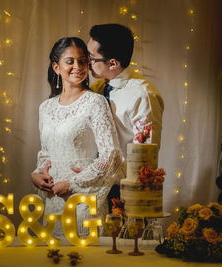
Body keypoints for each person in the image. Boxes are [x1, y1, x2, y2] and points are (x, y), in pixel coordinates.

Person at [30, 37, 122, 237]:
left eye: (82, 61)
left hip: (83, 199)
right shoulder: (45, 108)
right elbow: (46, 153)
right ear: (56, 67)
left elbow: (111, 155)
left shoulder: (95, 102)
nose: (78, 67)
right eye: (70, 61)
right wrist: (37, 175)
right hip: (53, 202)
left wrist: (73, 183)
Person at [86, 23, 165, 211]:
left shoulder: (142, 96)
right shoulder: (97, 89)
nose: (86, 62)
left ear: (113, 63)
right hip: (93, 187)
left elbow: (145, 155)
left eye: (91, 58)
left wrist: (110, 178)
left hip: (125, 190)